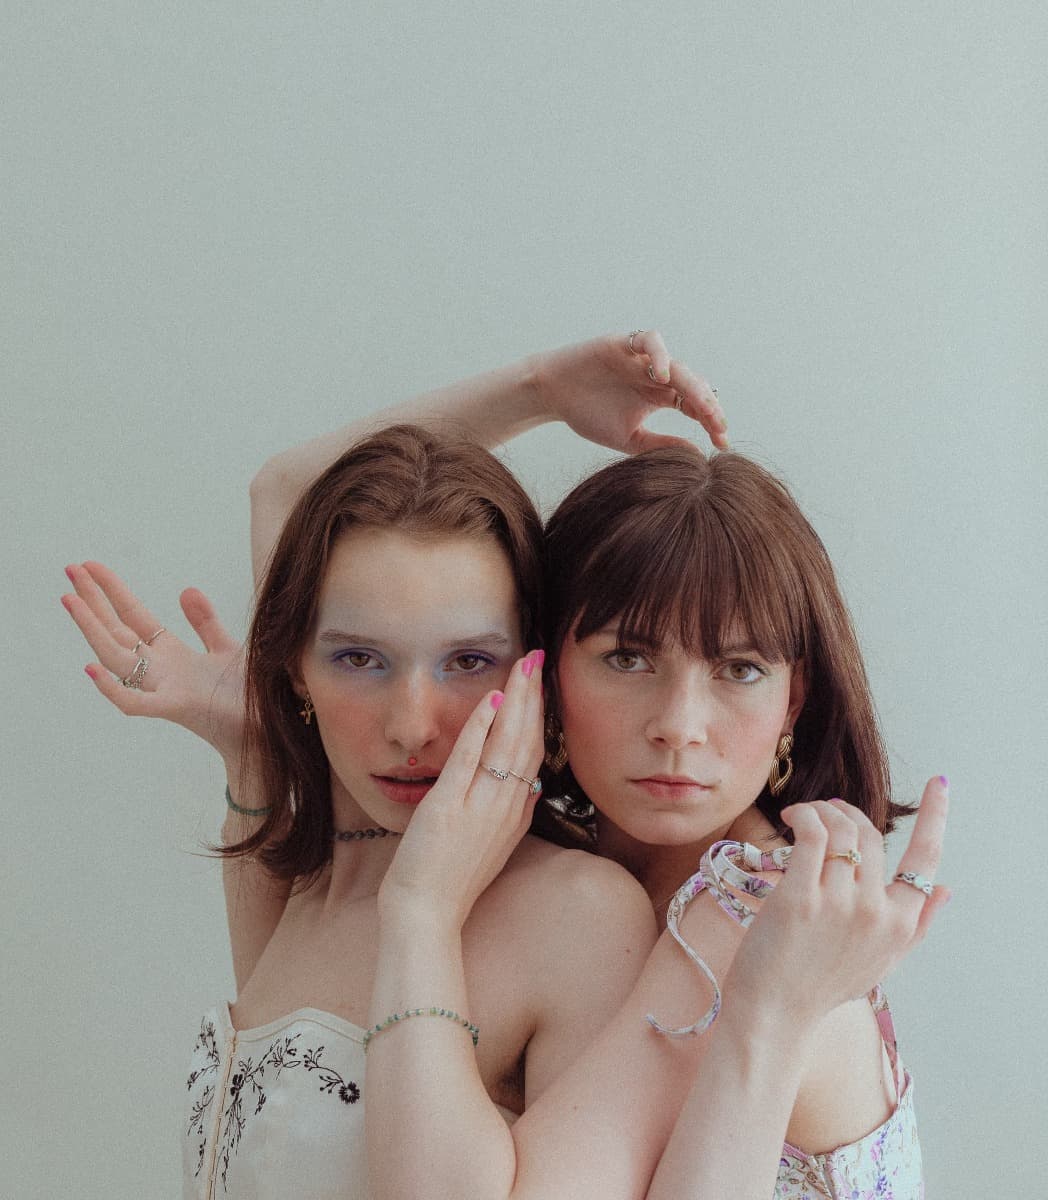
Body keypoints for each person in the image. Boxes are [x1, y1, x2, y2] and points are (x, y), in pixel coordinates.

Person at [62, 332, 946, 1198]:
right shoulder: (486, 857)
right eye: (627, 659)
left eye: (739, 669)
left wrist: (770, 1014)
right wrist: (539, 390)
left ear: (796, 700)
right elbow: (297, 499)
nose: (679, 728)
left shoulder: (757, 907)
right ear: (549, 670)